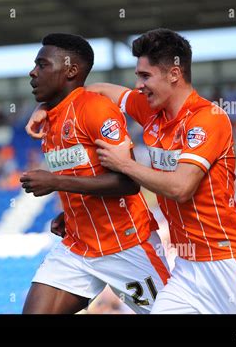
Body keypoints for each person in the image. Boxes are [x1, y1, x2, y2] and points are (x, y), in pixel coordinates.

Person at [26, 29, 236, 314]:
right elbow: (95, 90)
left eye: (145, 76)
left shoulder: (208, 119)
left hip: (228, 259)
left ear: (174, 74)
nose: (138, 85)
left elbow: (181, 188)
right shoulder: (150, 111)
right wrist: (48, 108)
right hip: (187, 268)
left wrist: (125, 165)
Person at [21, 33, 170, 314]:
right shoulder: (49, 120)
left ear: (71, 70)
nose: (33, 71)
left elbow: (126, 183)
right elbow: (86, 172)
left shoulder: (97, 109)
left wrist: (55, 182)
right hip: (77, 247)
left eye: (42, 64)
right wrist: (73, 212)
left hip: (127, 245)